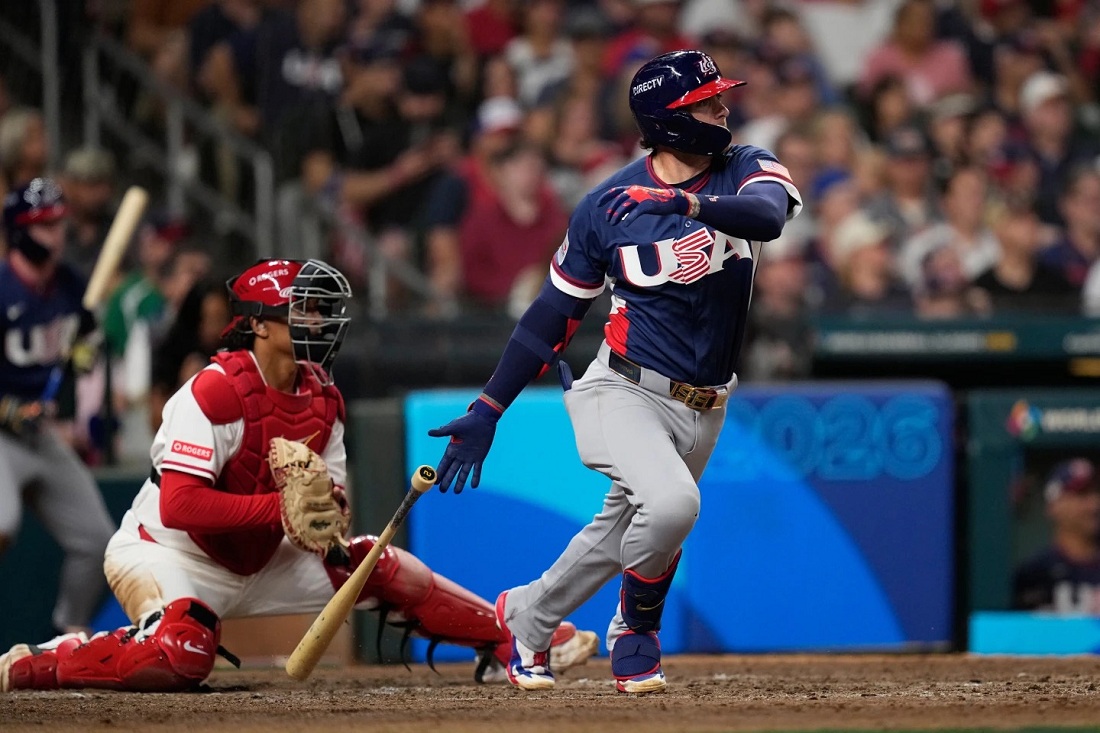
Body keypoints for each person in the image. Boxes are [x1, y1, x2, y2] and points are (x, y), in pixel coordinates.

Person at [0, 258, 597, 693]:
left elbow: (327, 508)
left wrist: (326, 516)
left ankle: (509, 637)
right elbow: (180, 507)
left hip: (264, 557)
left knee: (374, 562)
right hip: (170, 552)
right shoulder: (214, 392)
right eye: (303, 309)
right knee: (183, 654)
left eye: (320, 308)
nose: (320, 319)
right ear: (260, 325)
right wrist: (279, 509)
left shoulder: (323, 398)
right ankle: (49, 661)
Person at [428, 49, 801, 693]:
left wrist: (680, 205)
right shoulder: (606, 205)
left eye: (720, 97)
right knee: (673, 506)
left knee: (624, 531)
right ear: (668, 120)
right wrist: (489, 408)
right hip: (624, 388)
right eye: (706, 102)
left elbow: (768, 217)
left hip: (708, 401)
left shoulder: (744, 165)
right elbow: (552, 315)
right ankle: (635, 629)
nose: (722, 108)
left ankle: (526, 616)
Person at [0, 178, 116, 636]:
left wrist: (84, 352)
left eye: (58, 223)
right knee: (2, 522)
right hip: (3, 433)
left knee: (97, 540)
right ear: (20, 231)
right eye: (44, 225)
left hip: (40, 433)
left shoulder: (70, 285)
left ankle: (69, 634)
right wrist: (8, 410)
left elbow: (86, 340)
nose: (56, 234)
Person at [1013, 458, 1100, 614]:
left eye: (1097, 492)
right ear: (1054, 505)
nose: (1095, 504)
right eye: (1082, 495)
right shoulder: (1034, 574)